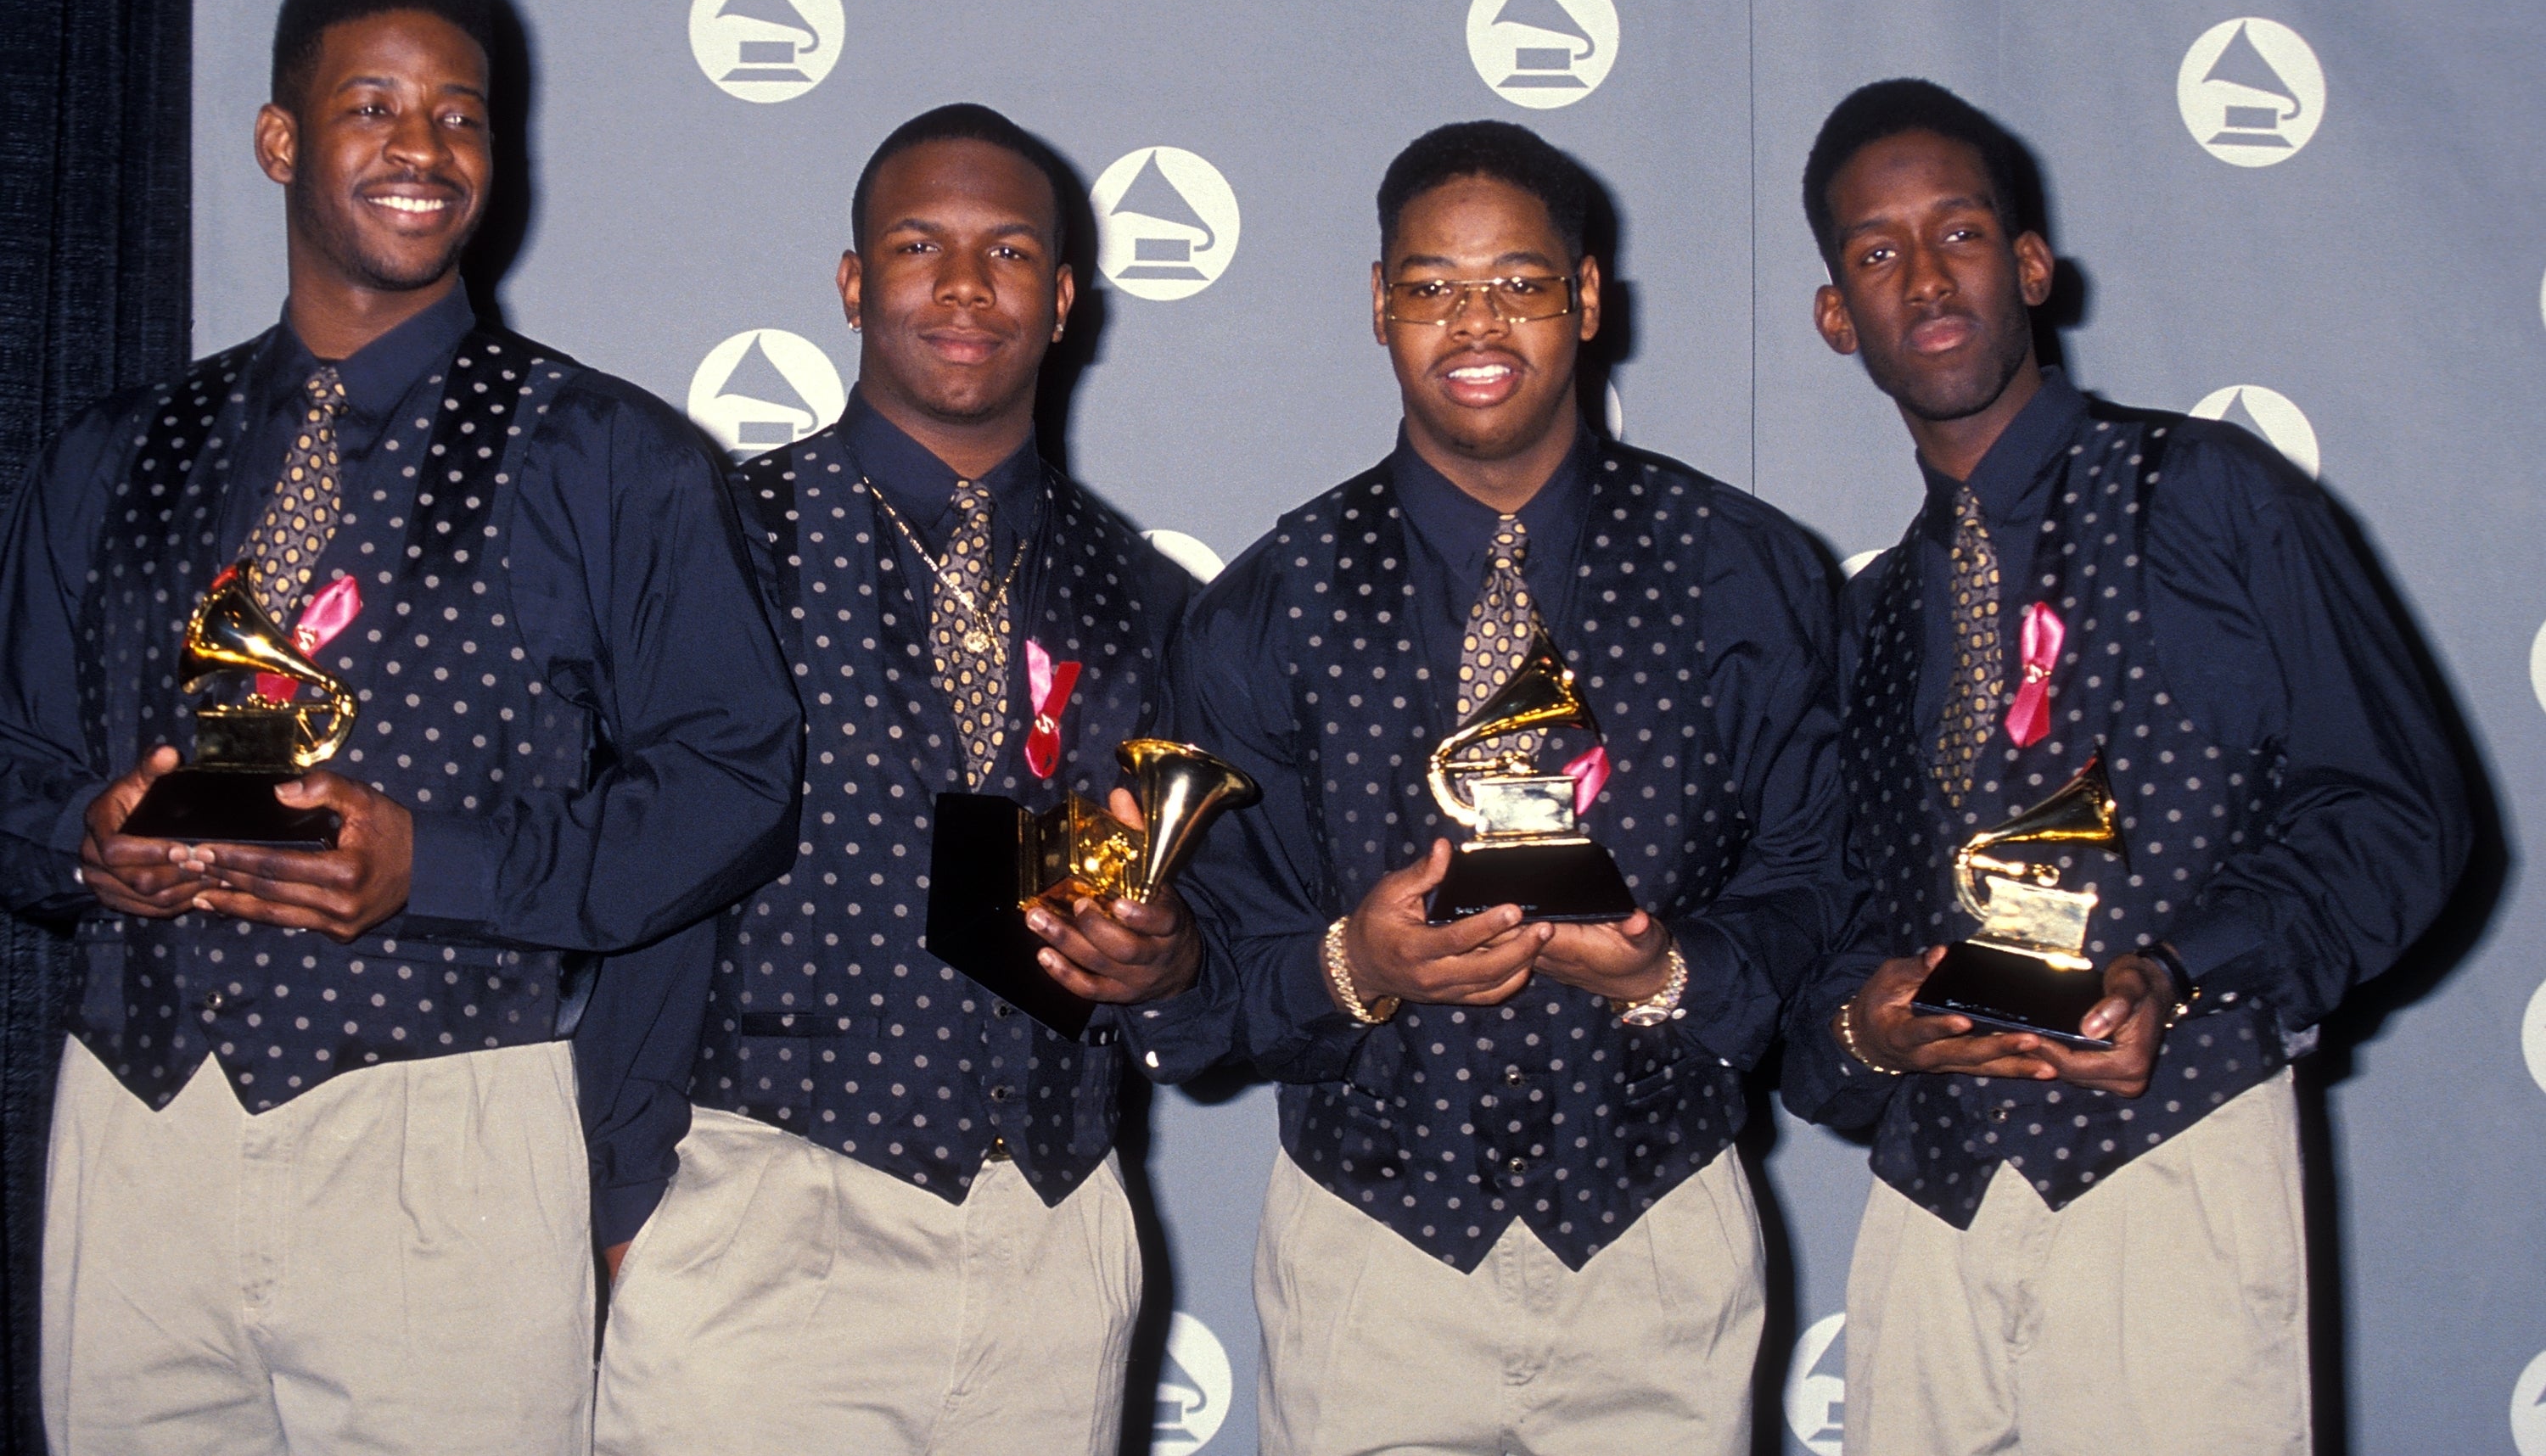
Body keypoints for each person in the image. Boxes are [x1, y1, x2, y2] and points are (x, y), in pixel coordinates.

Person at [0, 0, 802, 1453]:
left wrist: (438, 867)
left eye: (463, 116)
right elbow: (15, 760)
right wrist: (80, 840)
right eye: (375, 106)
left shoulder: (611, 456)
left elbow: (736, 782)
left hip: (446, 1132)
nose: (425, 148)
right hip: (140, 1121)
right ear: (281, 140)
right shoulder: (113, 449)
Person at [1781, 77, 2470, 1454]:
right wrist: (1869, 1030)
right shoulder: (1867, 618)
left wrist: (2177, 967)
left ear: (2031, 264)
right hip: (1934, 1210)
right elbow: (1823, 968)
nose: (1924, 275)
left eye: (1960, 232)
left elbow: (2399, 814)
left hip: (2173, 1159)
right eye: (1875, 250)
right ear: (1835, 314)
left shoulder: (2210, 493)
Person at [1172, 120, 1852, 1455]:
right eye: (1430, 285)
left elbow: (1816, 883)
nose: (1473, 320)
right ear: (1380, 306)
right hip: (1373, 1253)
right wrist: (1354, 964)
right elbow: (1209, 972)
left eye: (1519, 282)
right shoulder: (1270, 603)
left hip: (1655, 1239)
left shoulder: (1746, 571)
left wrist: (1667, 974)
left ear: (1587, 298)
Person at [591, 104, 1229, 1455]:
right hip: (763, 1213)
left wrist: (1166, 959)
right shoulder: (721, 543)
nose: (961, 284)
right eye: (917, 244)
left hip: (1052, 1238)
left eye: (1006, 251)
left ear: (1061, 300)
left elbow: (1219, 952)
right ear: (850, 281)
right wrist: (624, 1207)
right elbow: (639, 888)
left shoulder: (1153, 601)